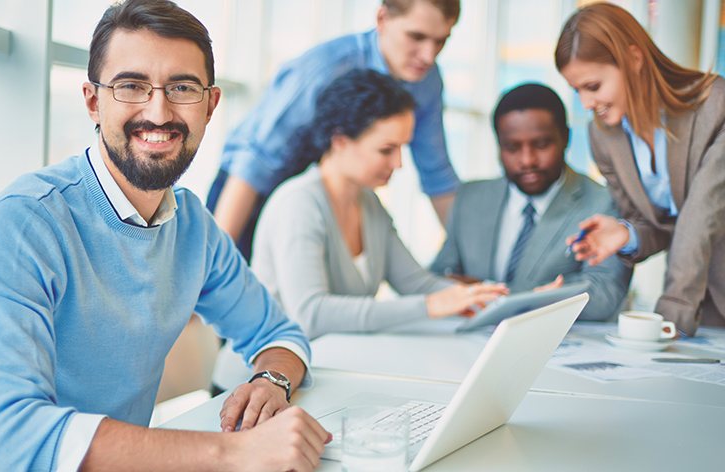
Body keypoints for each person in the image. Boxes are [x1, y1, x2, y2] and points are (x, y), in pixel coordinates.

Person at [0, 1, 331, 471]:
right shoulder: (26, 223)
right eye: (131, 85)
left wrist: (271, 381)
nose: (159, 111)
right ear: (93, 100)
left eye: (182, 88)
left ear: (210, 106)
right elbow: (15, 440)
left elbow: (279, 334)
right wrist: (232, 453)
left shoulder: (192, 225)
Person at [211, 69, 507, 392]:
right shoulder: (299, 203)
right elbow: (311, 314)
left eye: (402, 149)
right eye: (386, 149)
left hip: (319, 377)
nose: (398, 163)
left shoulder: (369, 205)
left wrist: (489, 300)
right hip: (252, 387)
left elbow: (416, 283)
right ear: (340, 141)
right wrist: (430, 306)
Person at [207, 0, 462, 261]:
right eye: (416, 36)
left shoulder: (427, 80)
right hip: (250, 192)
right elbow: (255, 163)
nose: (428, 56)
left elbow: (436, 172)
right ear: (382, 19)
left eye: (441, 41)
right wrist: (215, 262)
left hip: (328, 197)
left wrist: (468, 259)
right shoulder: (326, 67)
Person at [555, 3, 725, 335]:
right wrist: (626, 233)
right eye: (577, 90)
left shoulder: (716, 108)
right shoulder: (603, 136)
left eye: (593, 86)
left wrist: (667, 319)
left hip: (686, 300)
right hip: (705, 307)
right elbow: (658, 225)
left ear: (633, 59)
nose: (586, 104)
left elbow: (701, 216)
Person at [431, 84, 632, 321]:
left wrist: (489, 293)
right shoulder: (471, 197)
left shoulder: (603, 202)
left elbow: (603, 297)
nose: (527, 161)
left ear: (566, 138)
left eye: (541, 145)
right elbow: (438, 277)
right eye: (512, 147)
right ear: (499, 146)